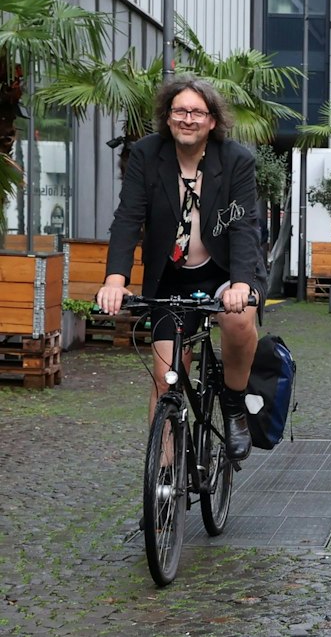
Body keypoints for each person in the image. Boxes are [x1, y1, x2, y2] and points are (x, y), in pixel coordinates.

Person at [96, 76, 264, 461]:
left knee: (239, 320)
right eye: (180, 111)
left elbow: (243, 227)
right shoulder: (146, 154)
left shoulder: (236, 160)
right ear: (168, 117)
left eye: (197, 112)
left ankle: (234, 403)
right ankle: (165, 485)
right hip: (170, 277)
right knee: (165, 378)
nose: (188, 119)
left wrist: (241, 283)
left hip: (224, 272)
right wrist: (115, 280)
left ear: (212, 121)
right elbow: (128, 218)